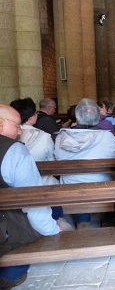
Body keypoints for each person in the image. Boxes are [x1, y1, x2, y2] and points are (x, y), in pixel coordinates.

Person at [0, 104, 65, 289]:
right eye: (17, 125)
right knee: (33, 232)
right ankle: (9, 276)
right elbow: (31, 199)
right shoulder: (13, 151)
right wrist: (52, 230)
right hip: (5, 230)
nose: (20, 132)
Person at [54, 98, 115, 228]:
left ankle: (82, 221)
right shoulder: (106, 137)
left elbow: (57, 157)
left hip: (70, 187)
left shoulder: (61, 137)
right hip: (102, 186)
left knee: (78, 184)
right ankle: (109, 221)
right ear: (97, 116)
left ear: (77, 116)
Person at [10, 97, 55, 162]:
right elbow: (51, 160)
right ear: (31, 117)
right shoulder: (45, 136)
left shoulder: (7, 134)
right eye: (36, 112)